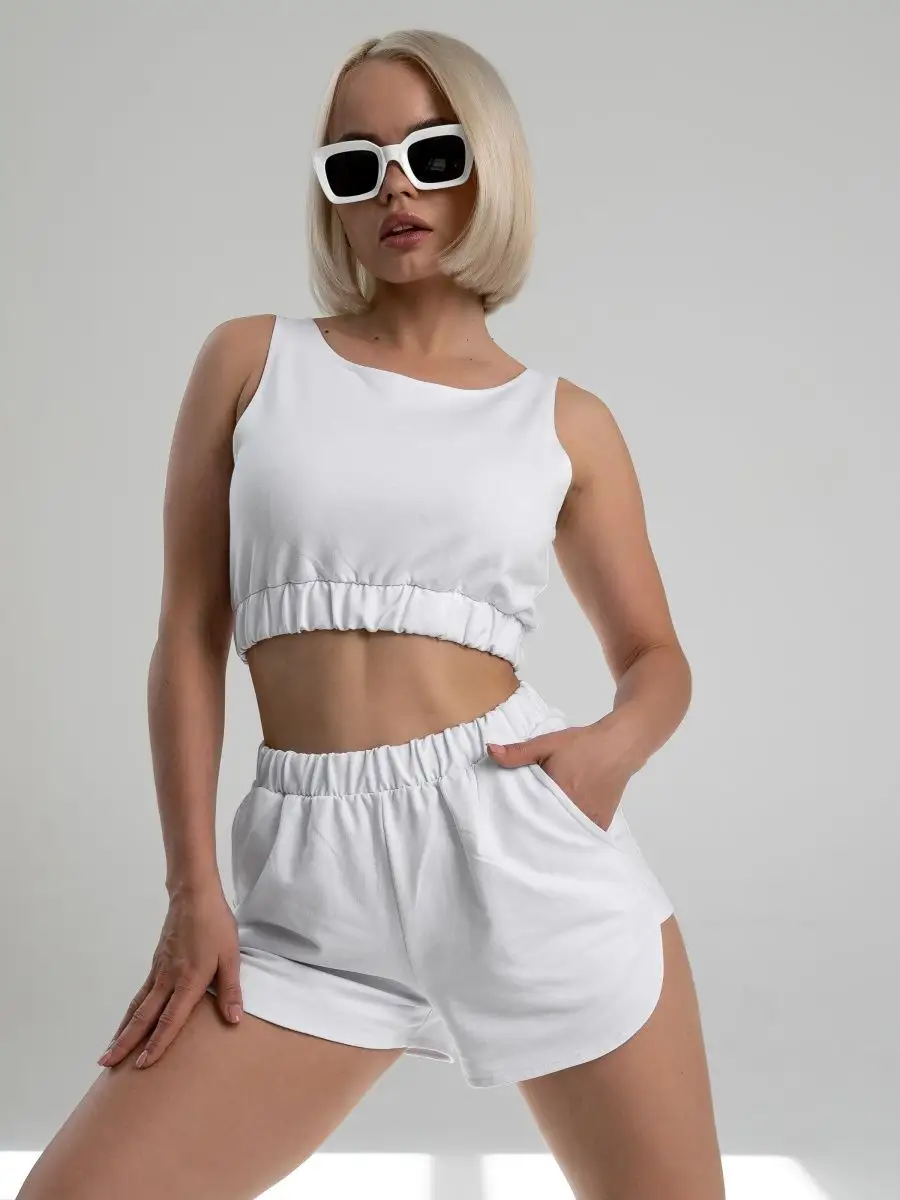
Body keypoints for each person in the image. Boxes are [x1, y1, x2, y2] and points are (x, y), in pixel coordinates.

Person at [17, 27, 726, 1200]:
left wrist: (609, 754)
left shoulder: (565, 421)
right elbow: (188, 633)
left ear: (489, 168)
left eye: (432, 155)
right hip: (307, 886)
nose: (396, 188)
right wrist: (193, 888)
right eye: (358, 165)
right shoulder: (250, 362)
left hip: (519, 850)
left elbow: (658, 658)